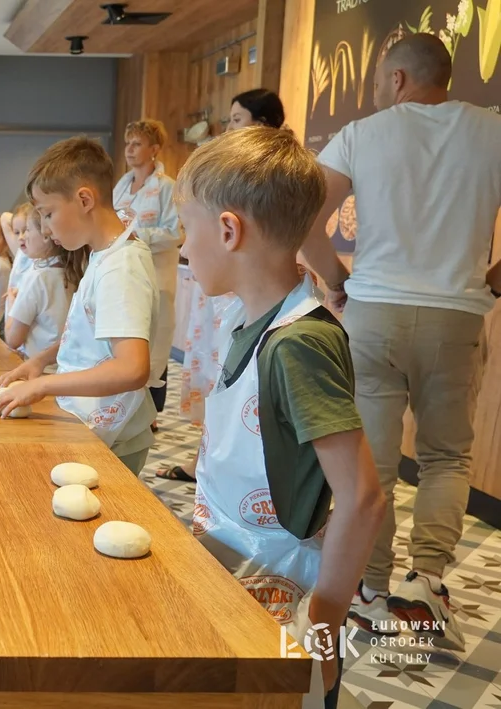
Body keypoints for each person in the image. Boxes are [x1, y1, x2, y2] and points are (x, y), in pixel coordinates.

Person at [300, 33, 501, 652]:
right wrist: (494, 278)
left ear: (395, 80)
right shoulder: (491, 129)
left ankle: (368, 585)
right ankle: (426, 582)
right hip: (456, 318)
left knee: (373, 460)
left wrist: (336, 281)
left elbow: (306, 221)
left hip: (374, 314)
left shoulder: (363, 134)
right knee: (445, 457)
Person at [177, 126, 384, 709]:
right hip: (234, 564)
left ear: (227, 230)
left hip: (282, 589)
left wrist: (323, 624)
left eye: (188, 229)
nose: (184, 249)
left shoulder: (298, 344)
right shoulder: (248, 318)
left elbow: (364, 499)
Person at [0, 137, 161, 474]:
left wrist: (41, 385)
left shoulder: (120, 267)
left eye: (49, 214)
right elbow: (91, 331)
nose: (47, 229)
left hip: (113, 437)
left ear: (84, 199)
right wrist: (40, 361)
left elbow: (131, 368)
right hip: (87, 422)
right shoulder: (104, 255)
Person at [166, 90, 288, 483]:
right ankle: (210, 457)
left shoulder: (294, 341)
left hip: (267, 534)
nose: (229, 127)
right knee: (222, 375)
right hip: (229, 298)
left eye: (238, 119)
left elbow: (356, 491)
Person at [113, 120, 180, 423]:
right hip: (125, 273)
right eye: (128, 143)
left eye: (137, 143)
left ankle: (149, 413)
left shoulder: (168, 187)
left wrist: (137, 233)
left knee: (155, 340)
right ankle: (124, 405)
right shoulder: (121, 186)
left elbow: (176, 232)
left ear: (154, 149)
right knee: (128, 336)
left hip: (157, 274)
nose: (129, 149)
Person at [3, 208, 80, 366]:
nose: (23, 237)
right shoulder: (73, 271)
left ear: (46, 235)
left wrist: (12, 302)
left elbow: (12, 339)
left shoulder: (36, 277)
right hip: (65, 366)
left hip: (38, 368)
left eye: (28, 230)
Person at [3, 202, 35, 315]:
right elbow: (4, 217)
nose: (21, 237)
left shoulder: (38, 259)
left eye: (26, 230)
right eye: (16, 232)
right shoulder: (21, 252)